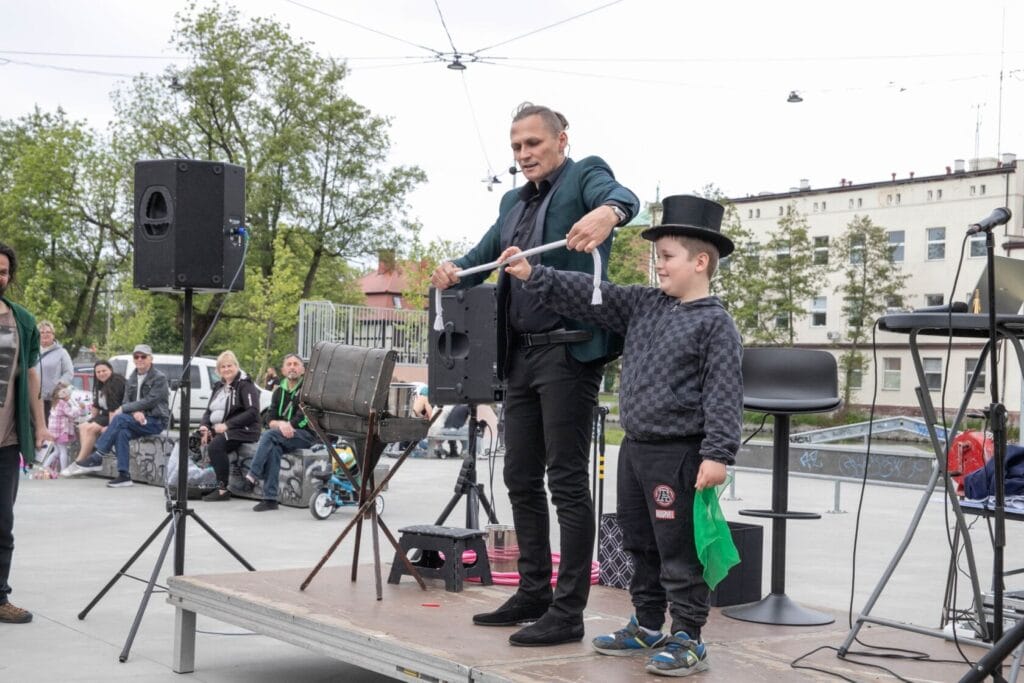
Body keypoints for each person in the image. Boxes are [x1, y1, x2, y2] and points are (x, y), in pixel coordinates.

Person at [500, 194, 742, 677]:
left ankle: (688, 636)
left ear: (700, 261)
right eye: (656, 258)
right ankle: (647, 624)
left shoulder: (715, 323)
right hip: (635, 449)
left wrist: (718, 453)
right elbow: (592, 292)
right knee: (640, 543)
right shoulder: (645, 304)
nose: (658, 266)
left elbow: (724, 391)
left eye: (667, 257)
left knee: (678, 549)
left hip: (679, 453)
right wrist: (534, 273)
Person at [430, 102, 639, 646]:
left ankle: (568, 612)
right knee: (519, 476)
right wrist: (449, 271)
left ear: (561, 141)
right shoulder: (510, 202)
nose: (523, 155)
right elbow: (478, 258)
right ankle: (533, 591)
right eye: (516, 147)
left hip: (569, 354)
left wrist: (609, 214)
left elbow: (624, 199)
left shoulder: (586, 173)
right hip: (520, 357)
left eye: (533, 144)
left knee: (566, 481)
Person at [0, 242, 55, 624]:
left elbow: (31, 374)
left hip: (7, 440)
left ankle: (0, 597)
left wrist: (40, 425)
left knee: (3, 521)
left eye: (4, 271)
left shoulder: (22, 319)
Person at [70, 344, 169, 488]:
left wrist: (126, 409)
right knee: (121, 432)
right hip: (136, 419)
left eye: (143, 356)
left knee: (120, 418)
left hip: (155, 420)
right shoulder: (132, 377)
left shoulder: (159, 378)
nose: (139, 359)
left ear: (150, 358)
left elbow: (151, 400)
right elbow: (127, 400)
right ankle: (124, 475)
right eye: (136, 357)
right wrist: (134, 412)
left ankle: (98, 456)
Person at [241, 353, 314, 511]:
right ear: (283, 370)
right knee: (274, 448)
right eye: (289, 364)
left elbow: (305, 418)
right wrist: (281, 424)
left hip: (305, 435)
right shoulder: (278, 392)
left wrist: (287, 426)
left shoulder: (308, 391)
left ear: (303, 370)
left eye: (296, 364)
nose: (292, 367)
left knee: (269, 435)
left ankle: (253, 474)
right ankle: (270, 498)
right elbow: (268, 419)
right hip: (282, 436)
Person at [198, 350, 261, 501]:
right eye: (223, 367)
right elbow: (208, 410)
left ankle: (222, 490)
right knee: (192, 442)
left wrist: (228, 425)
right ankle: (199, 483)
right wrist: (205, 425)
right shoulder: (219, 386)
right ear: (218, 370)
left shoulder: (245, 385)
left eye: (230, 366)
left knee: (216, 446)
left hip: (244, 430)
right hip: (220, 428)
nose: (226, 369)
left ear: (236, 366)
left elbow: (253, 412)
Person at [60, 360, 126, 478]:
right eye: (98, 372)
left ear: (110, 370)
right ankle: (85, 461)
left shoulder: (116, 382)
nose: (101, 374)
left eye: (104, 371)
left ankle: (79, 462)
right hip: (105, 414)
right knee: (83, 426)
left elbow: (113, 408)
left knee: (91, 428)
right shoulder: (100, 383)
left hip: (117, 415)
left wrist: (110, 428)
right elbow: (96, 405)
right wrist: (89, 418)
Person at [38, 384, 82, 475]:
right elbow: (71, 414)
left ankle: (45, 466)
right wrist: (80, 409)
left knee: (57, 451)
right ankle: (63, 470)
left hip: (53, 431)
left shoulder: (55, 402)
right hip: (60, 430)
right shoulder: (63, 403)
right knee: (63, 450)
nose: (69, 396)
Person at [36, 320, 73, 422]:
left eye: (48, 332)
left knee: (49, 429)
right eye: (42, 332)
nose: (45, 335)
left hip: (51, 399)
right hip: (33, 398)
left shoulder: (61, 352)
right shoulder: (32, 351)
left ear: (53, 334)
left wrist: (59, 388)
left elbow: (68, 373)